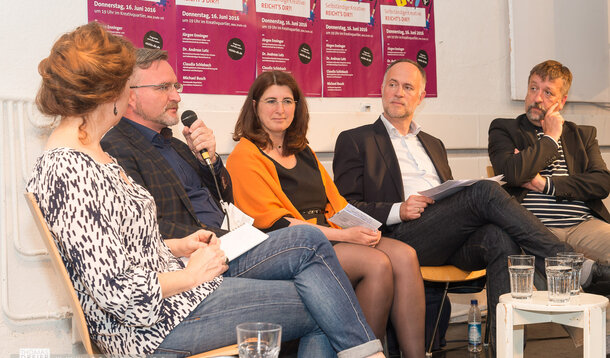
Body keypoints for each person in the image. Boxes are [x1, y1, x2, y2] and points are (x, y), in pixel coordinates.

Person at [28, 22, 385, 357]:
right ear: (110, 92)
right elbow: (116, 291)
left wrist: (178, 247)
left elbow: (118, 247)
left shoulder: (91, 151)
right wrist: (189, 274)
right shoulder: (68, 168)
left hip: (173, 298)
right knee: (323, 302)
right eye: (125, 81)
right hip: (149, 326)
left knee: (321, 281)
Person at [331, 58, 597, 346]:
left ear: (421, 97)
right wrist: (399, 210)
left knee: (499, 239)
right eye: (393, 84)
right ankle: (567, 262)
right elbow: (345, 207)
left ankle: (502, 349)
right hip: (400, 238)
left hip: (445, 236)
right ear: (381, 89)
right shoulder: (356, 140)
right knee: (484, 191)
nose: (398, 92)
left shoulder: (433, 143)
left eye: (408, 87)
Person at [226, 71, 426, 358]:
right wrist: (345, 236)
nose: (280, 110)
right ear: (255, 105)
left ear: (297, 106)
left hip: (331, 235)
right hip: (293, 248)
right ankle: (361, 353)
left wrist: (365, 227)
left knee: (405, 255)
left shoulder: (302, 149)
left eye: (287, 101)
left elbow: (337, 204)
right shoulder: (245, 156)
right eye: (271, 101)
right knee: (377, 264)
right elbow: (281, 224)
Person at [488, 60, 610, 270]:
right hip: (535, 228)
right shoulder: (504, 129)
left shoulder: (582, 135)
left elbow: (602, 183)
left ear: (561, 102)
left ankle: (589, 275)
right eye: (533, 88)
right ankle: (587, 272)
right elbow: (513, 174)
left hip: (584, 225)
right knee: (553, 258)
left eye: (547, 93)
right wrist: (551, 138)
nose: (537, 98)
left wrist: (545, 184)